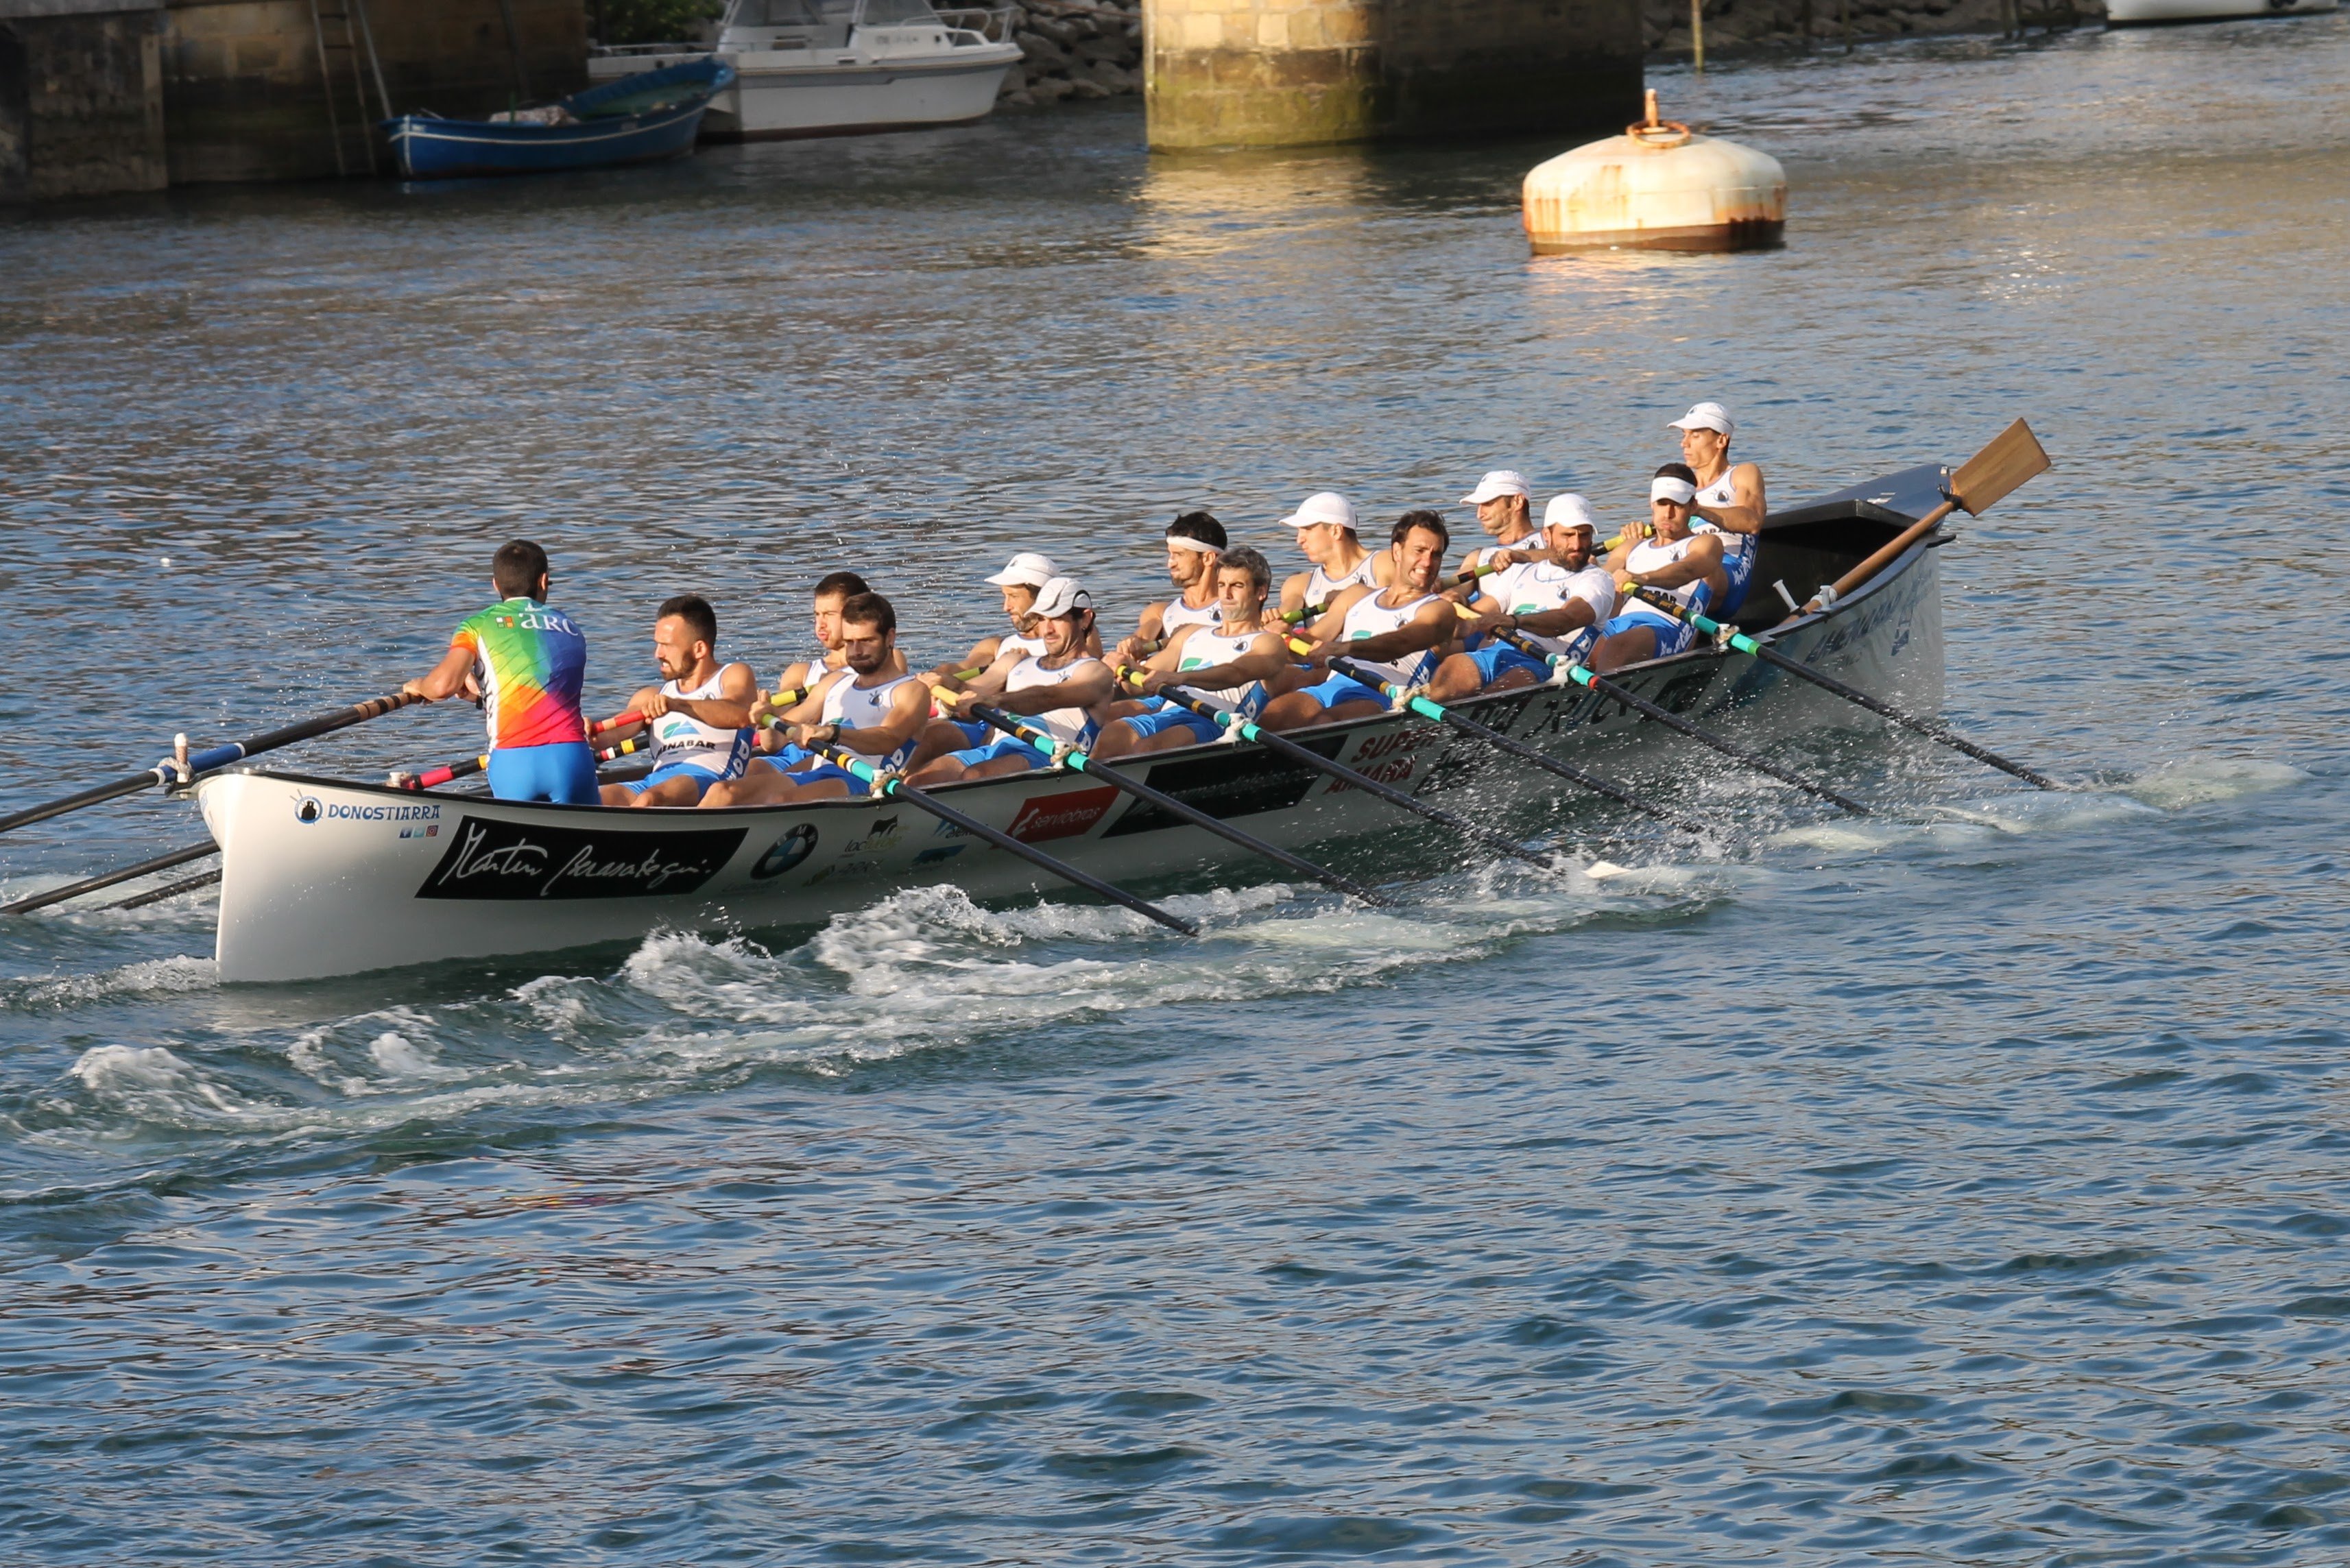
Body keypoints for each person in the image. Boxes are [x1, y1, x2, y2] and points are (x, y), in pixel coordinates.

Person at [401, 540, 596, 804]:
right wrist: (481, 695)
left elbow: (441, 687)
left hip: (514, 763)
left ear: (495, 584)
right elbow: (539, 688)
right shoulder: (571, 627)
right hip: (572, 758)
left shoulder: (477, 625)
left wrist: (420, 685)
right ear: (544, 581)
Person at [701, 592, 928, 806]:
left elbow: (888, 739)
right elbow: (775, 743)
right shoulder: (834, 682)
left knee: (781, 801)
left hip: (865, 782)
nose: (857, 651)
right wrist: (767, 718)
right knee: (722, 792)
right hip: (818, 773)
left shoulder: (910, 690)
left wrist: (832, 732)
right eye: (849, 642)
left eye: (866, 641)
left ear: (890, 637)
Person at [1258, 511, 1462, 729]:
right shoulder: (1356, 595)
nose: (1428, 562)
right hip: (1333, 685)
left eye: (1436, 555)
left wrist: (1344, 648)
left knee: (1326, 722)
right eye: (1419, 551)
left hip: (1384, 696)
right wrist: (1276, 638)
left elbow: (1399, 644)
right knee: (1274, 715)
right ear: (1397, 551)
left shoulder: (1440, 610)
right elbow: (1309, 643)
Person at [914, 577, 1116, 784]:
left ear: (1084, 619)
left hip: (1048, 757)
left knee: (975, 776)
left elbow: (1049, 697)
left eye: (1057, 619)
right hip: (994, 750)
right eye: (1041, 619)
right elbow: (971, 688)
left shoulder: (1096, 673)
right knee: (918, 780)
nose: (1047, 630)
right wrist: (945, 683)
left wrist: (995, 700)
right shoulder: (1014, 660)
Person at [1096, 546, 1291, 758]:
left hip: (1214, 724)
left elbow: (1236, 673)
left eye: (1237, 586)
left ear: (1261, 592)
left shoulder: (1269, 642)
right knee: (1107, 738)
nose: (1226, 594)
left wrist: (1180, 677)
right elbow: (1137, 685)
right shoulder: (1191, 633)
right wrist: (1124, 667)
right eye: (1222, 585)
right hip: (1169, 713)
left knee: (1147, 749)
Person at [1426, 494, 1618, 699]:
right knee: (1454, 667)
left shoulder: (1598, 580)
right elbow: (1472, 622)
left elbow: (1566, 620)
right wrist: (1452, 608)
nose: (1577, 545)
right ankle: (1424, 727)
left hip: (1544, 663)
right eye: (1568, 535)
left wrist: (1513, 621)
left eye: (1585, 535)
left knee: (1509, 686)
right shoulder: (1520, 572)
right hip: (1498, 652)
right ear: (1547, 535)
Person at [597, 595, 758, 808]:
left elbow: (740, 715)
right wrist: (586, 732)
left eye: (667, 646)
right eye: (657, 644)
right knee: (594, 797)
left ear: (699, 649)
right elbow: (610, 734)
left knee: (650, 800)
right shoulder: (650, 696)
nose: (657, 654)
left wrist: (678, 705)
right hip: (654, 781)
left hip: (710, 781)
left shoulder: (733, 674)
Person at [1589, 466, 1729, 673]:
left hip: (1669, 626)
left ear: (1693, 506)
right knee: (1575, 638)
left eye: (1678, 506)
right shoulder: (1630, 546)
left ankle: (1596, 699)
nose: (1668, 514)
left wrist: (1642, 578)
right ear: (1652, 504)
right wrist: (1588, 570)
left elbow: (1687, 571)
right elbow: (1606, 574)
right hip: (1621, 624)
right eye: (1662, 504)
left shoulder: (1706, 544)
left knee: (1618, 646)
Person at [1670, 400, 1766, 615]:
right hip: (1687, 564)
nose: (1684, 443)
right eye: (1684, 435)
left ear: (1721, 440)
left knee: (1703, 568)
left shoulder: (1743, 474)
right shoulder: (1681, 487)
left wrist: (1699, 510)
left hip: (1729, 572)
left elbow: (1752, 522)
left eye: (1695, 435)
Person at [1276, 492, 1389, 629]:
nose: (1299, 540)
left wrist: (1348, 597)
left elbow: (1392, 601)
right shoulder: (1298, 584)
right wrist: (1274, 620)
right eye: (1299, 531)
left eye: (1307, 529)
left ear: (1336, 531)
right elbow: (1284, 615)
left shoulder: (1383, 563)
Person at [1123, 511, 1227, 660]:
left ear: (1208, 558)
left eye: (1179, 555)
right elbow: (1143, 638)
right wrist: (1133, 643)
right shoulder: (1159, 613)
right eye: (1170, 555)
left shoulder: (1237, 607)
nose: (1170, 563)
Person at [1457, 470, 1544, 574]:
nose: (1479, 515)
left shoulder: (1551, 540)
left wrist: (1521, 556)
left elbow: (1563, 557)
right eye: (1478, 506)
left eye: (1488, 503)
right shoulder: (1477, 558)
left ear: (1517, 502)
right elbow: (1460, 582)